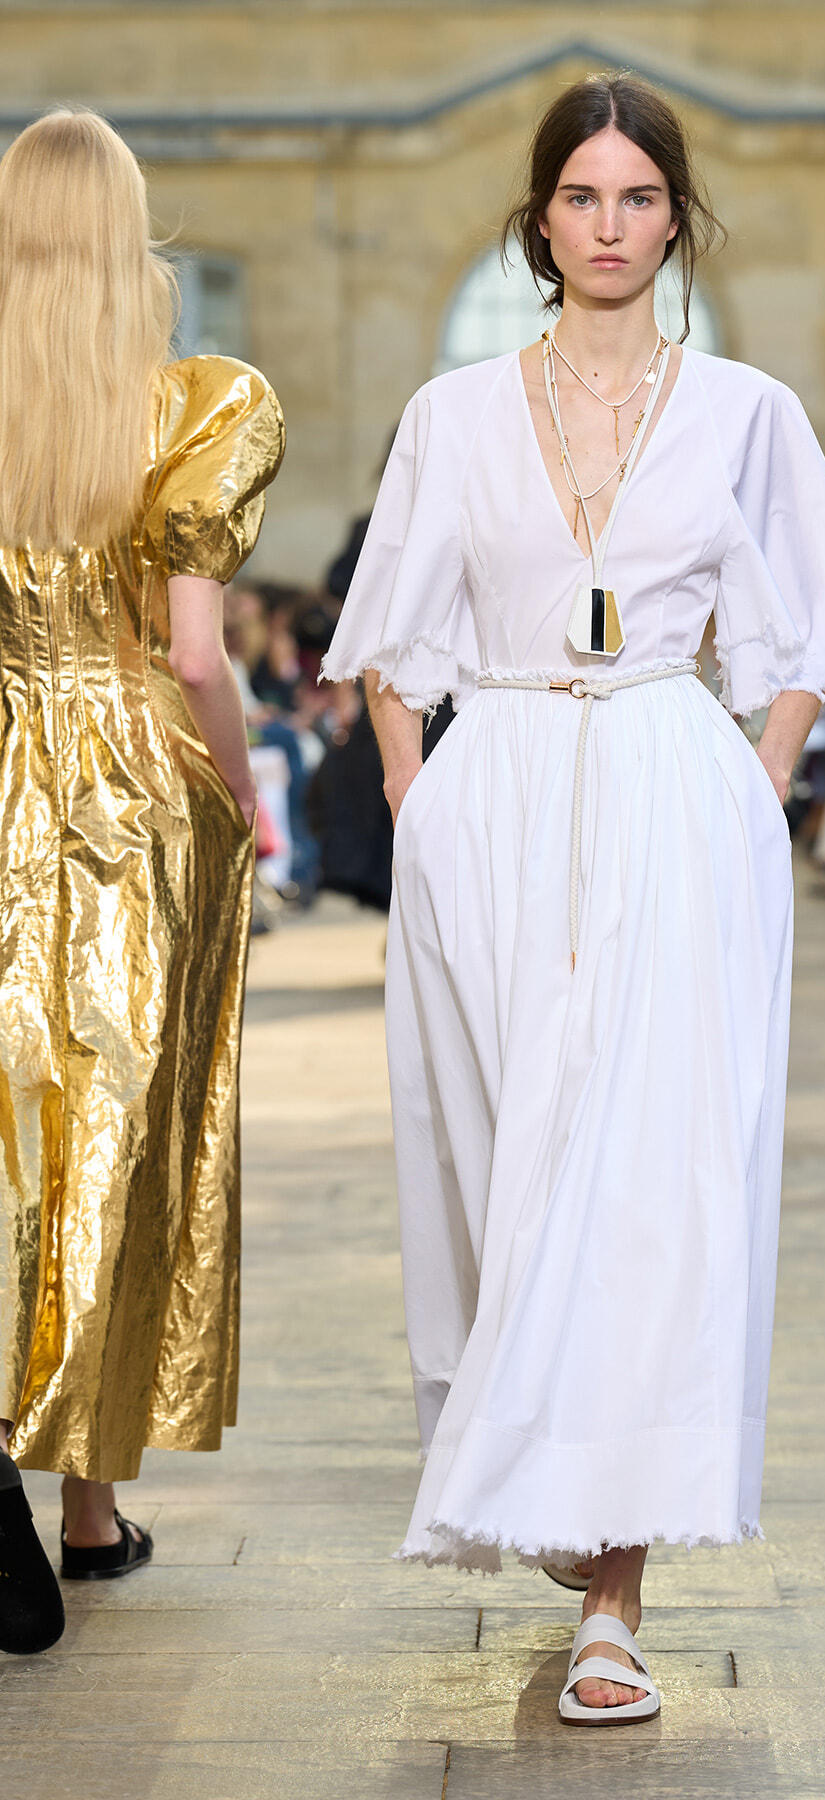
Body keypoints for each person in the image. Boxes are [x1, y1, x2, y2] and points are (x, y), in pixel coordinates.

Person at [322, 72, 825, 1725]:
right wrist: (411, 797)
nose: (608, 226)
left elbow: (813, 627)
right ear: (539, 218)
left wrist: (756, 784)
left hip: (669, 788)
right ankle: (553, 1504)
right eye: (580, 198)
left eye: (638, 199)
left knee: (650, 1180)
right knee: (515, 1166)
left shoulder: (746, 412)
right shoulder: (450, 415)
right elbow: (387, 637)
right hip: (495, 790)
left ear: (677, 218)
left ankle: (617, 1599)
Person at [0, 110, 284, 1654]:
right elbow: (191, 654)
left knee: (13, 1130)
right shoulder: (190, 404)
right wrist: (240, 790)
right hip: (124, 789)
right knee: (109, 1129)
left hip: (1, 760)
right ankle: (87, 1513)